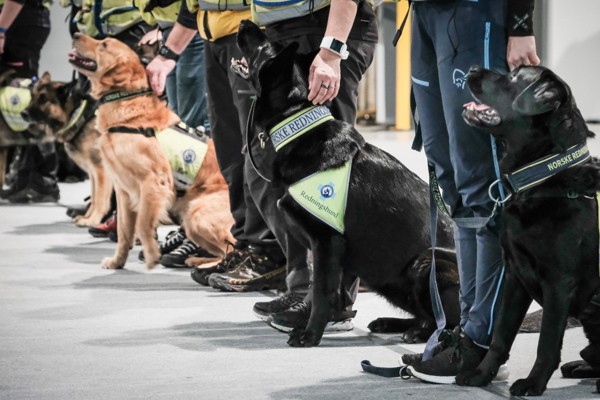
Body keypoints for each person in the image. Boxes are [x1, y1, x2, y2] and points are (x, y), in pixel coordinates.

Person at [403, 0, 540, 383]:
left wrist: (520, 24)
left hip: (475, 14)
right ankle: (465, 328)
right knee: (451, 177)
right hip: (425, 15)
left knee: (485, 181)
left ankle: (483, 342)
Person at [246, 0, 379, 333]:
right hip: (287, 28)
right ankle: (303, 290)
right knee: (293, 175)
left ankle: (334, 304)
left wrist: (332, 51)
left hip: (324, 31)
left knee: (329, 176)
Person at [146, 2, 288, 290]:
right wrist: (169, 53)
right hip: (215, 39)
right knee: (230, 151)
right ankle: (245, 243)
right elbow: (193, 4)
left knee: (256, 151)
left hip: (252, 34)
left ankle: (268, 253)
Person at [0, 0, 58, 203]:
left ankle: (43, 179)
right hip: (17, 17)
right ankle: (24, 178)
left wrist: (1, 29)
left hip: (20, 16)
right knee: (14, 102)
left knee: (24, 101)